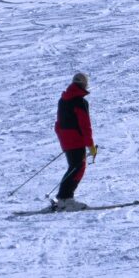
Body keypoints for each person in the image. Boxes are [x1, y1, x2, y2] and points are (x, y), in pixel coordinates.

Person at [54, 72, 97, 211]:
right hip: (77, 139)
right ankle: (66, 199)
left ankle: (63, 199)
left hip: (65, 139)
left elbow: (58, 123)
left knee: (73, 167)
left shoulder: (63, 100)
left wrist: (63, 138)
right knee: (78, 168)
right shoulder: (80, 102)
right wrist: (90, 145)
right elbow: (85, 125)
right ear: (84, 84)